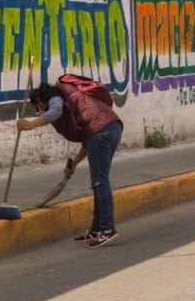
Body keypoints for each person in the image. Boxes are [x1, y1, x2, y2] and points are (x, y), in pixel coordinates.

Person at [20, 75, 124, 246]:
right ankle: (97, 229)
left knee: (100, 182)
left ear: (40, 99)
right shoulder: (73, 103)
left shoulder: (56, 95)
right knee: (98, 182)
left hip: (102, 132)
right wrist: (74, 164)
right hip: (110, 128)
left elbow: (55, 112)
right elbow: (88, 141)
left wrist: (31, 124)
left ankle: (107, 229)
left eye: (38, 106)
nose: (40, 111)